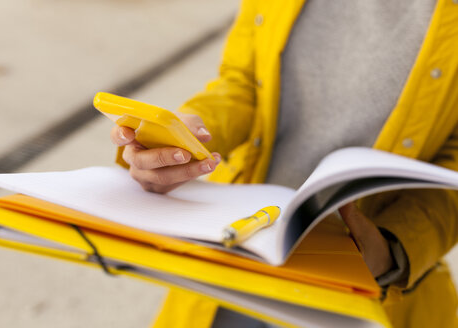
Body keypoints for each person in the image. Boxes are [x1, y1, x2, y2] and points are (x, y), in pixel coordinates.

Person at [111, 0, 458, 327]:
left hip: (361, 286)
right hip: (237, 255)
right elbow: (244, 82)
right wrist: (189, 140)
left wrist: (391, 249)